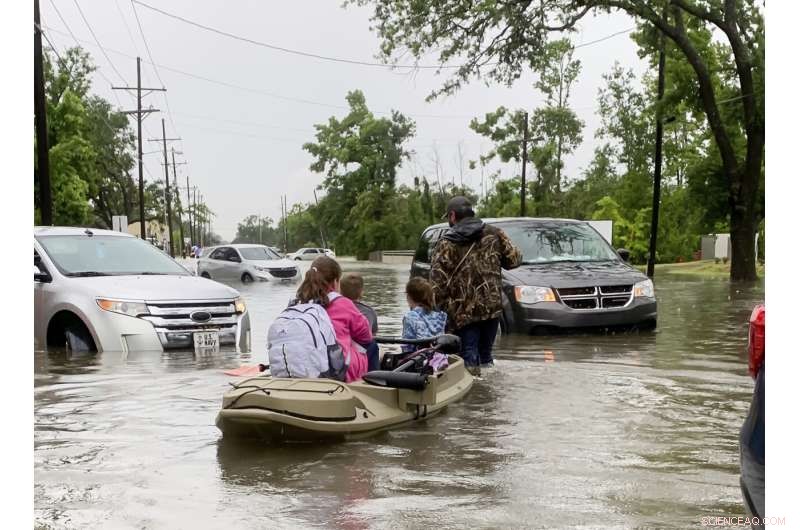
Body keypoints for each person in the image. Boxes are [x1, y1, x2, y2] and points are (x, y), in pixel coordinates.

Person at [430, 196, 522, 375]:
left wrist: (438, 312)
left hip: (462, 312)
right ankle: (487, 394)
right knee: (486, 355)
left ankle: (474, 396)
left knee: (467, 356)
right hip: (492, 307)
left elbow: (437, 284)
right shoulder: (495, 233)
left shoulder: (446, 243)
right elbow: (515, 260)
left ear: (452, 216)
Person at [301, 256, 372, 382]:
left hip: (303, 366)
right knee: (372, 346)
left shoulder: (298, 302)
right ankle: (373, 387)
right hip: (338, 371)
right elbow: (365, 336)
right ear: (335, 282)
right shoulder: (343, 303)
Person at [340, 273, 380, 371]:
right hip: (362, 353)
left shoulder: (334, 308)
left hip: (341, 352)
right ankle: (374, 377)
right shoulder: (370, 312)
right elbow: (373, 334)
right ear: (361, 292)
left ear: (340, 291)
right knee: (373, 345)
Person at [401, 277, 447, 353]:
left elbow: (407, 347)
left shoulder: (409, 317)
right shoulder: (440, 316)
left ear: (409, 297)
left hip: (418, 359)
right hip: (438, 358)